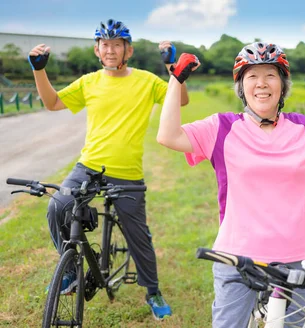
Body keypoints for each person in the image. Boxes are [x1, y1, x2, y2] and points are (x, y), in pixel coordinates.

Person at [157, 41, 305, 327]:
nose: (262, 84)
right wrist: (176, 80)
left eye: (270, 75)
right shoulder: (222, 128)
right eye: (252, 76)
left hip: (297, 258)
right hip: (236, 257)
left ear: (283, 86)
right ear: (241, 87)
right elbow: (168, 135)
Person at [28, 18, 189, 320]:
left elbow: (180, 99)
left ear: (128, 50)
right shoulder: (89, 82)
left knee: (138, 235)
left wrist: (171, 68)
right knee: (57, 206)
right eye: (105, 45)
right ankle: (70, 269)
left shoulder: (145, 80)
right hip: (88, 166)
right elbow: (52, 103)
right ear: (97, 50)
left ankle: (152, 291)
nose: (111, 49)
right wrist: (39, 69)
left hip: (127, 172)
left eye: (117, 44)